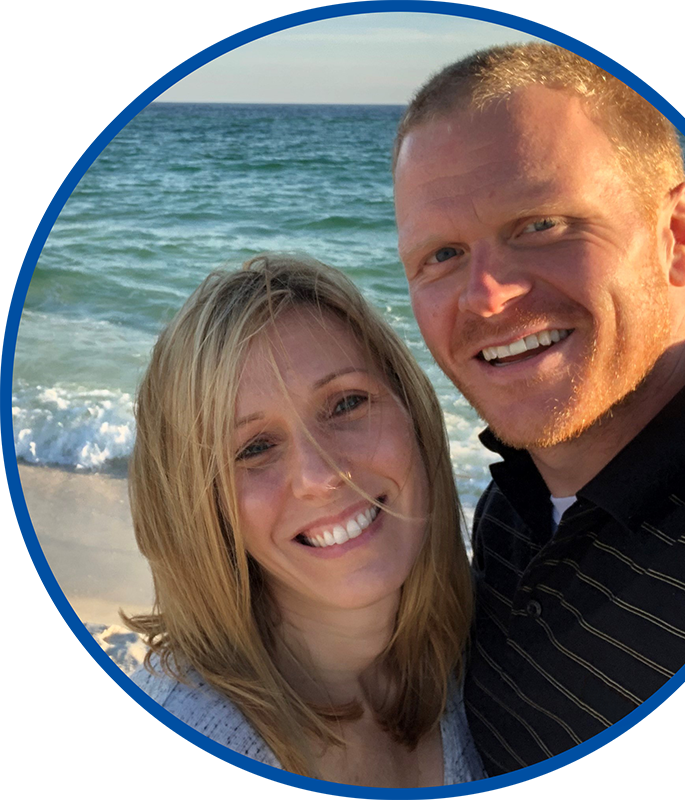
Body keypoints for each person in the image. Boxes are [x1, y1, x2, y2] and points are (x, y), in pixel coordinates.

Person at [392, 42, 685, 775]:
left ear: (680, 235)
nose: (483, 295)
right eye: (441, 256)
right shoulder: (510, 506)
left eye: (540, 224)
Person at [125, 253, 485, 786]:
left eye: (346, 404)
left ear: (413, 410)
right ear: (203, 510)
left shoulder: (486, 657)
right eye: (255, 447)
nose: (320, 474)